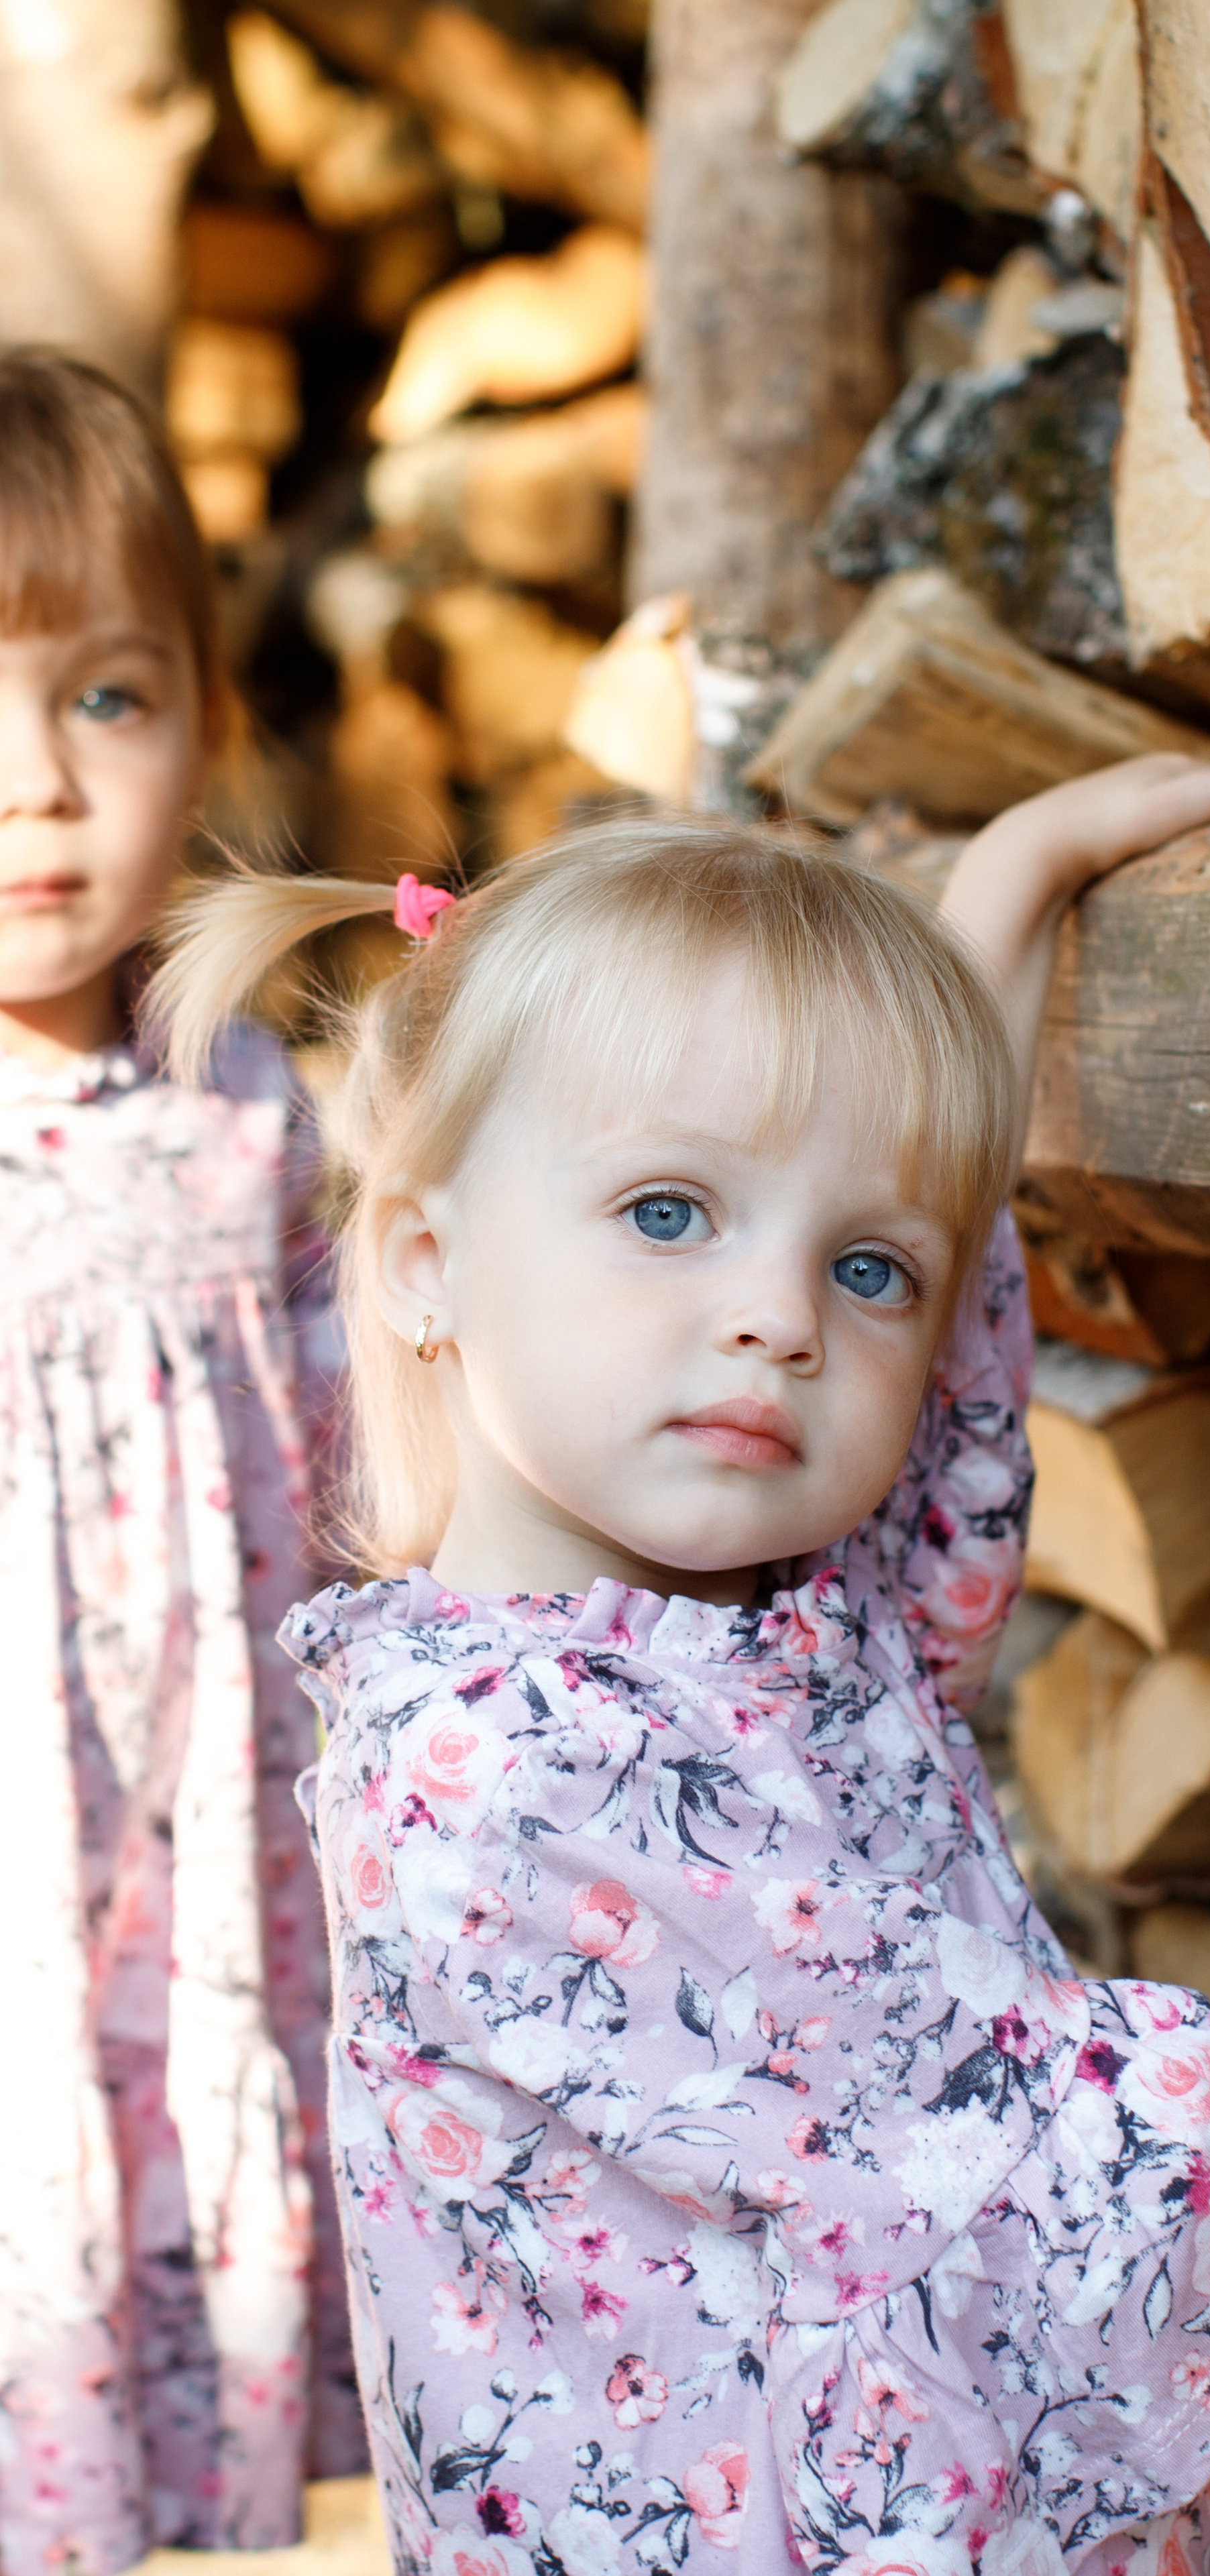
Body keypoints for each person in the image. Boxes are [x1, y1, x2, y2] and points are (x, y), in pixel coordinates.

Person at [150, 773, 1210, 2576]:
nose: (783, 1314)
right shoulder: (502, 1767)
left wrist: (998, 897)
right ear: (423, 1262)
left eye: (862, 1267)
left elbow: (933, 1373)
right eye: (671, 1212)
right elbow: (955, 2104)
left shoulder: (772, 1598)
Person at [0, 351, 362, 2576]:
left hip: (202, 1875)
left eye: (106, 698)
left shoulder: (250, 1103)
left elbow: (354, 1458)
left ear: (210, 720)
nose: (38, 785)